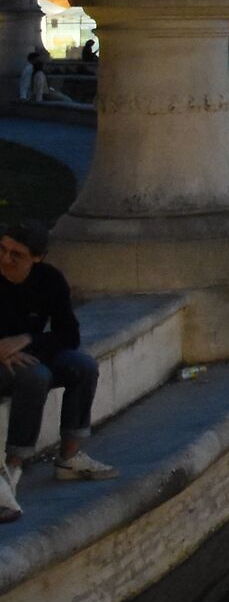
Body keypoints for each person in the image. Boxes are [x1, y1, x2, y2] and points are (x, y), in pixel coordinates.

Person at [0, 221, 119, 520]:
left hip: (30, 353)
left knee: (83, 366)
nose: (5, 259)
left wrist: (27, 341)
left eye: (16, 255)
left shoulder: (49, 280)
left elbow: (69, 334)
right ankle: (13, 467)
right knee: (35, 377)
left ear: (36, 258)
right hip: (7, 363)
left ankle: (69, 457)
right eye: (2, 249)